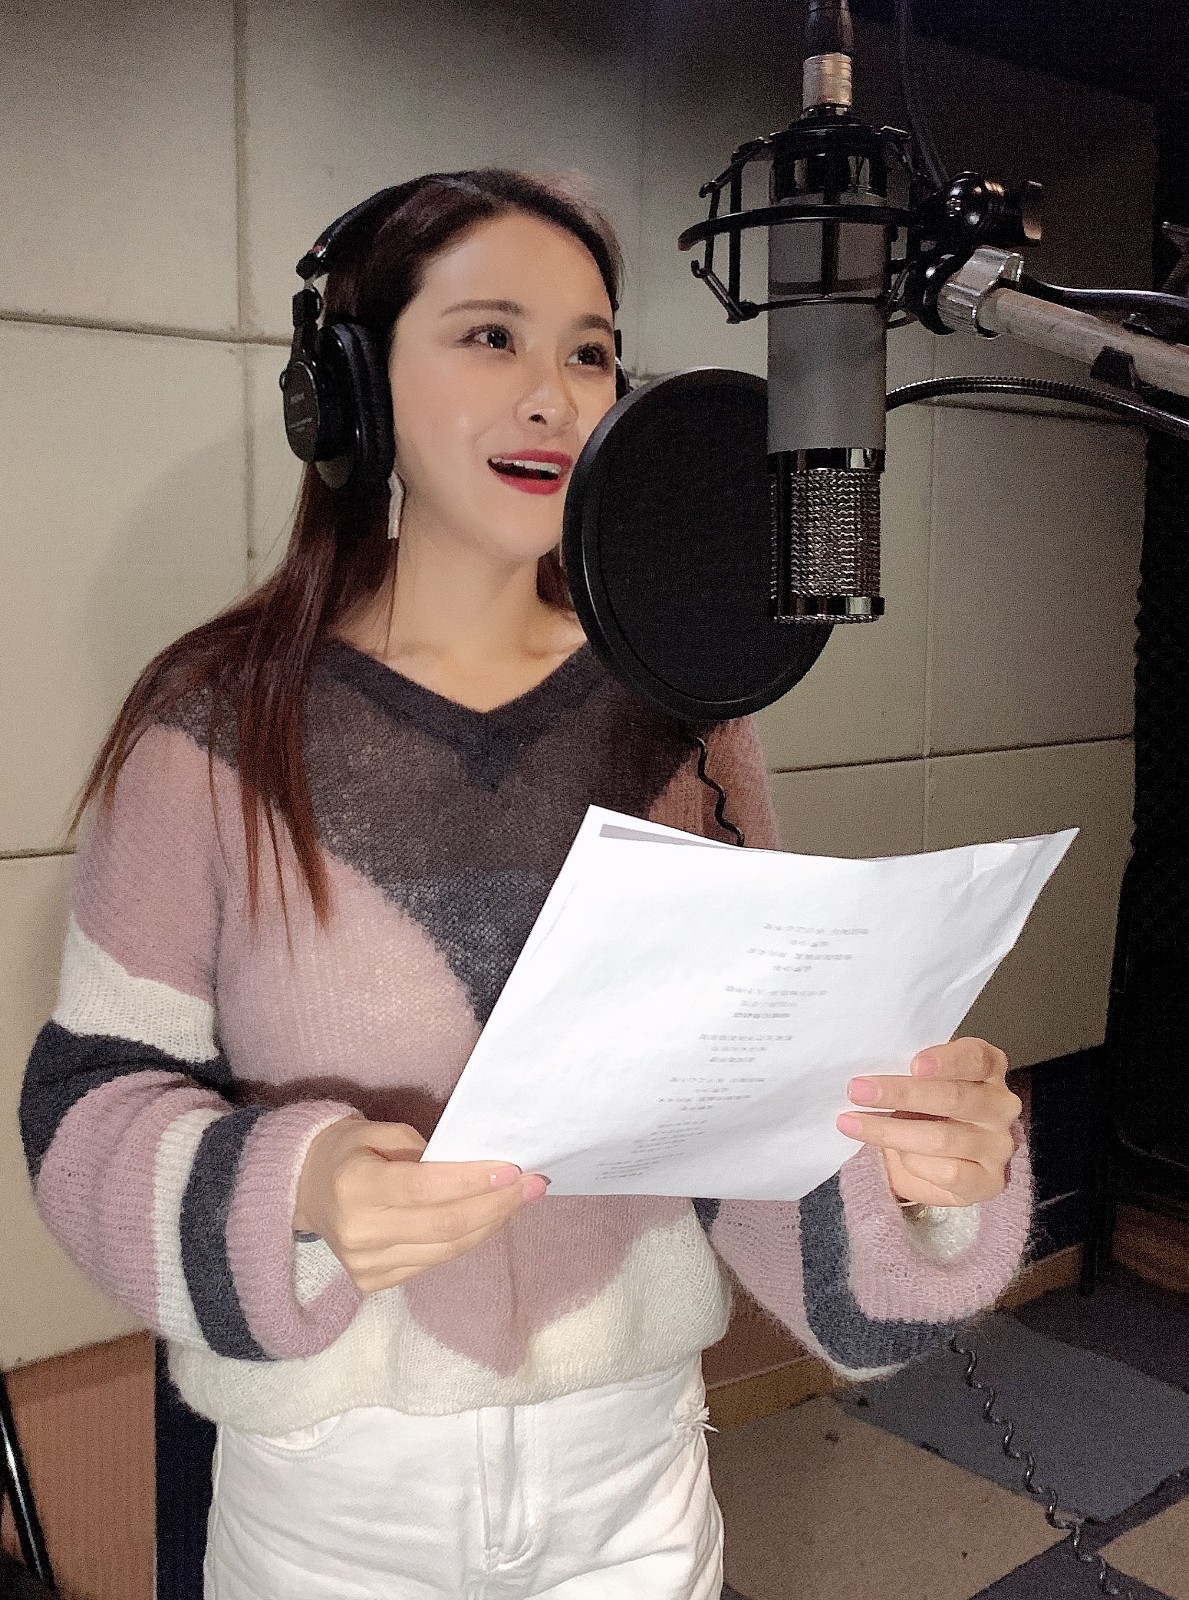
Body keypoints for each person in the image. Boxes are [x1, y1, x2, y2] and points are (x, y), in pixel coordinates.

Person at [20, 169, 1031, 1600]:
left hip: (630, 1476)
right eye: (492, 336)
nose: (555, 397)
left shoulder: (683, 707)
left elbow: (739, 1096)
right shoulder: (215, 726)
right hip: (330, 1496)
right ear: (351, 386)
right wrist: (297, 1186)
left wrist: (920, 1171)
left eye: (589, 352)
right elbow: (87, 1099)